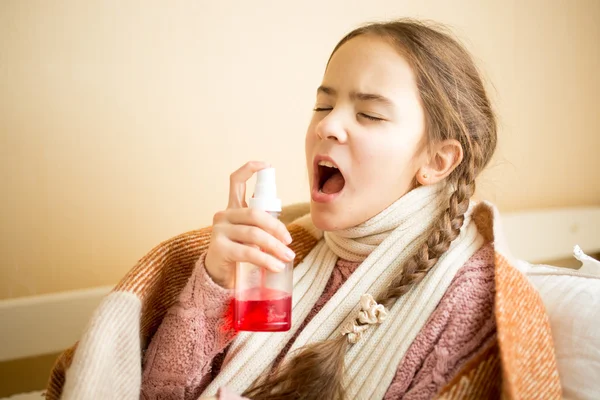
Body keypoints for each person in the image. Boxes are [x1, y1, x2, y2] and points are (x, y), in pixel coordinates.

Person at [47, 19, 561, 400]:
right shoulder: (286, 251)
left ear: (437, 160)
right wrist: (212, 282)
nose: (327, 126)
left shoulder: (471, 300)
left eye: (369, 113)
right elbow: (161, 395)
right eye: (323, 104)